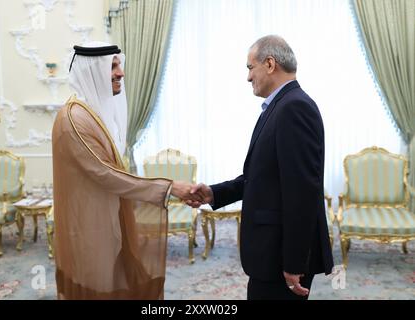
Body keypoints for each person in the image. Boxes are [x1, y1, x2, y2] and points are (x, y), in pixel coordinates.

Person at [188, 35, 334, 300]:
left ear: (269, 64)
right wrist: (214, 193)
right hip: (270, 254)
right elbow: (260, 177)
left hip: (280, 258)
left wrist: (294, 263)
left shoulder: (294, 108)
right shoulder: (279, 107)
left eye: (249, 67)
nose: (247, 77)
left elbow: (301, 193)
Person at [52, 41, 198, 299]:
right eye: (113, 66)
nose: (121, 73)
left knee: (122, 281)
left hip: (111, 217)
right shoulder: (73, 119)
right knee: (100, 287)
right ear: (92, 71)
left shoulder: (91, 113)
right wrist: (169, 187)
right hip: (92, 225)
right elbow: (105, 173)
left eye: (119, 65)